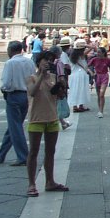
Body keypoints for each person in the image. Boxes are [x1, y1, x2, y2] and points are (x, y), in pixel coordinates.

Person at [25, 50, 69, 197]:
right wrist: (41, 76)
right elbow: (32, 92)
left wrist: (61, 87)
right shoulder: (31, 78)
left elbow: (59, 96)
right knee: (33, 151)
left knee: (50, 151)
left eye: (50, 60)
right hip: (36, 119)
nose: (48, 62)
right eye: (46, 60)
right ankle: (31, 184)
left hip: (52, 118)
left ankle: (50, 181)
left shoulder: (53, 77)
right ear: (39, 62)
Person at [0, 40, 35, 166]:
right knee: (14, 126)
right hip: (26, 95)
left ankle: (23, 156)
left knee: (15, 127)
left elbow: (6, 82)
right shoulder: (29, 62)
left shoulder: (10, 63)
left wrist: (4, 89)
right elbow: (33, 78)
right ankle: (1, 153)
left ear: (10, 50)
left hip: (14, 95)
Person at [88, 46, 110, 117]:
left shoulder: (108, 60)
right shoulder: (94, 59)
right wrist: (91, 72)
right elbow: (87, 66)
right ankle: (99, 109)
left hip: (104, 76)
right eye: (97, 52)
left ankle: (101, 111)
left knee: (102, 94)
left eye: (99, 52)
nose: (97, 53)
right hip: (97, 76)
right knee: (98, 94)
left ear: (103, 53)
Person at [68, 39, 92, 113]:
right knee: (82, 90)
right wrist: (85, 45)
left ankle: (75, 106)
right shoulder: (82, 55)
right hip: (81, 74)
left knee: (75, 90)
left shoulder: (73, 56)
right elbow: (92, 47)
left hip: (74, 74)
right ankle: (81, 105)